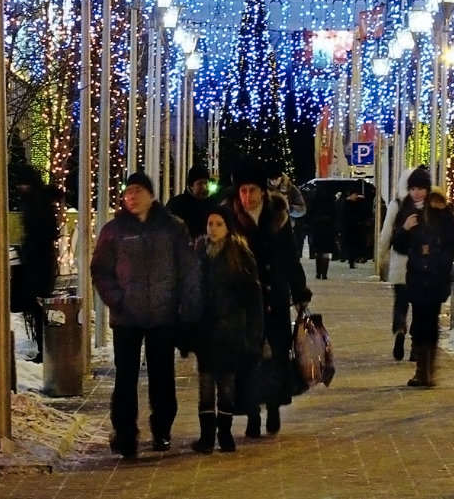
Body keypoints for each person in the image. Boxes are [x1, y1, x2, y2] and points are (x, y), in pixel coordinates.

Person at [91, 171, 203, 458]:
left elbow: (188, 269)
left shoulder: (172, 228)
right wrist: (116, 298)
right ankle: (125, 433)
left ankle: (162, 427)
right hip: (126, 316)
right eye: (128, 192)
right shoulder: (114, 230)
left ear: (150, 195)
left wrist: (185, 307)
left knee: (162, 375)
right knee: (125, 378)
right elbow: (100, 270)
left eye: (138, 191)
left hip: (163, 316)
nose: (132, 196)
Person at [222, 161, 311, 437]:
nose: (247, 197)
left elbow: (289, 257)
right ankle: (251, 413)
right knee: (248, 357)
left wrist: (300, 292)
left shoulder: (278, 217)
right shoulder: (230, 219)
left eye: (252, 191)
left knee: (276, 355)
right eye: (243, 191)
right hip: (243, 301)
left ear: (262, 192)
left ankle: (272, 406)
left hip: (274, 295)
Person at [189, 207, 264, 454]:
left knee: (227, 384)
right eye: (210, 223)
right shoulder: (199, 253)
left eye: (218, 224)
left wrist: (254, 333)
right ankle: (207, 436)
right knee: (205, 384)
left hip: (231, 330)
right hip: (205, 331)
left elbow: (253, 298)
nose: (212, 228)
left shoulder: (239, 254)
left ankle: (225, 433)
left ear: (228, 227)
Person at [390, 167, 454, 388]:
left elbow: (453, 241)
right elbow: (399, 246)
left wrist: (442, 262)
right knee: (419, 322)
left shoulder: (440, 209)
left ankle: (428, 371)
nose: (416, 193)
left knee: (431, 321)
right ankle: (422, 370)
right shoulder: (406, 210)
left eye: (420, 188)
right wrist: (405, 228)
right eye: (412, 188)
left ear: (427, 189)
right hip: (417, 275)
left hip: (436, 275)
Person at [12, 164, 60, 363]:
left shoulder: (36, 203)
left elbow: (46, 231)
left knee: (37, 307)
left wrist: (29, 247)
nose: (20, 188)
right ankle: (44, 348)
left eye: (23, 184)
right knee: (37, 308)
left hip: (38, 264)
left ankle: (45, 350)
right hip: (39, 262)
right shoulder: (37, 201)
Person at [377, 167, 416, 361]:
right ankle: (417, 343)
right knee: (420, 304)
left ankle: (400, 329)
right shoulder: (426, 205)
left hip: (400, 262)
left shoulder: (397, 204)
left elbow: (386, 233)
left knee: (400, 302)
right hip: (422, 265)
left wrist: (381, 255)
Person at [167, 163, 215, 241]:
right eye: (200, 183)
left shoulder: (213, 204)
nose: (204, 187)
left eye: (206, 183)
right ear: (191, 186)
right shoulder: (177, 204)